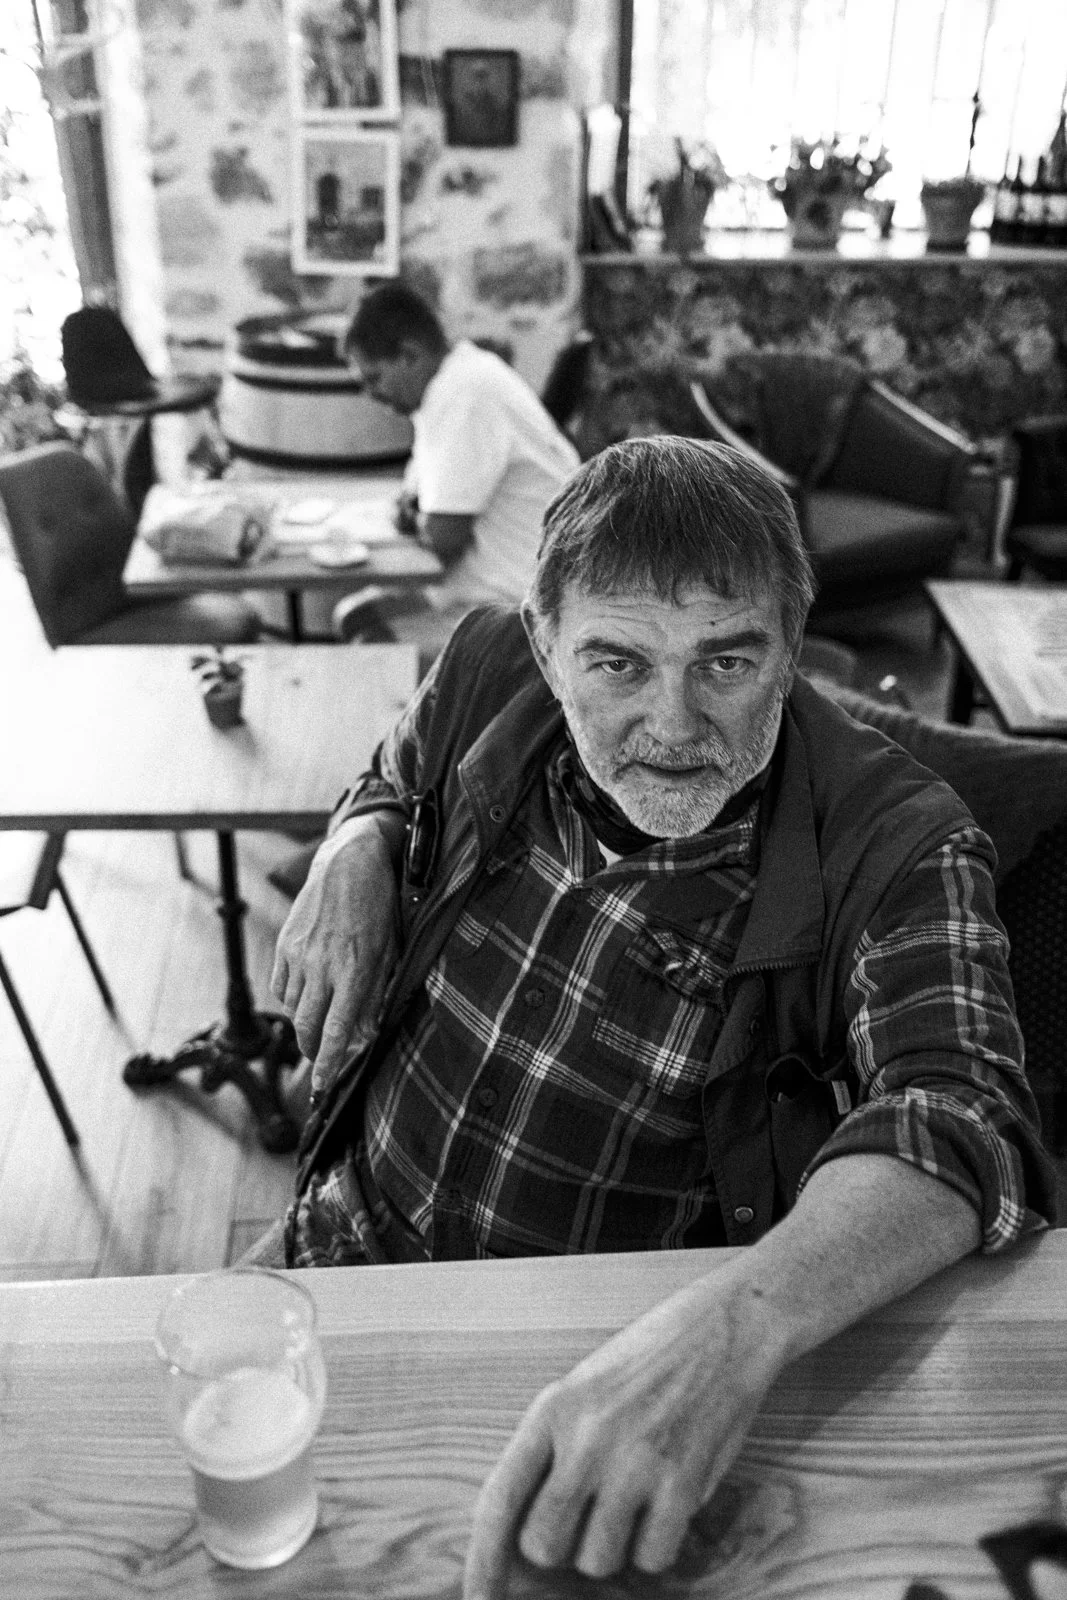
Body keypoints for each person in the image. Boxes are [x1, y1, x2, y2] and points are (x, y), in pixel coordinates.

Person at [259, 437, 1055, 1598]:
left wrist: (727, 1332)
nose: (674, 726)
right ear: (544, 645)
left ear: (792, 650)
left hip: (612, 1367)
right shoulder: (486, 664)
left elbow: (962, 1115)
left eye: (726, 661)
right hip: (333, 1245)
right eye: (617, 665)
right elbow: (396, 765)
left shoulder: (898, 840)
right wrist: (359, 836)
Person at [339, 279, 580, 663]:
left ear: (409, 356)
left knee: (375, 649)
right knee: (355, 616)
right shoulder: (451, 383)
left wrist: (418, 519)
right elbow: (416, 503)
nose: (372, 396)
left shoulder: (466, 394)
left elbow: (443, 539)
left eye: (374, 378)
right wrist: (418, 515)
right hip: (489, 586)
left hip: (524, 607)